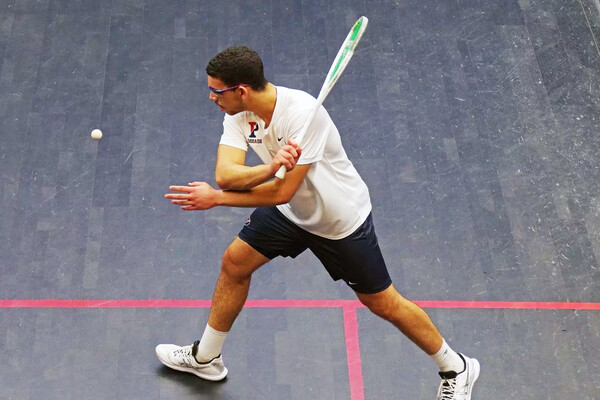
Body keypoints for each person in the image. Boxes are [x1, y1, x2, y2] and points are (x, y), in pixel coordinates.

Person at [155, 45, 479, 399]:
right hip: (291, 213)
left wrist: (218, 199)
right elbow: (226, 175)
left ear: (241, 90)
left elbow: (279, 192)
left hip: (337, 219)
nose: (211, 97)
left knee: (382, 302)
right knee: (235, 262)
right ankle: (207, 358)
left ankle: (457, 366)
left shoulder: (303, 115)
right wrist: (268, 165)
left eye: (216, 91)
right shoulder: (237, 114)